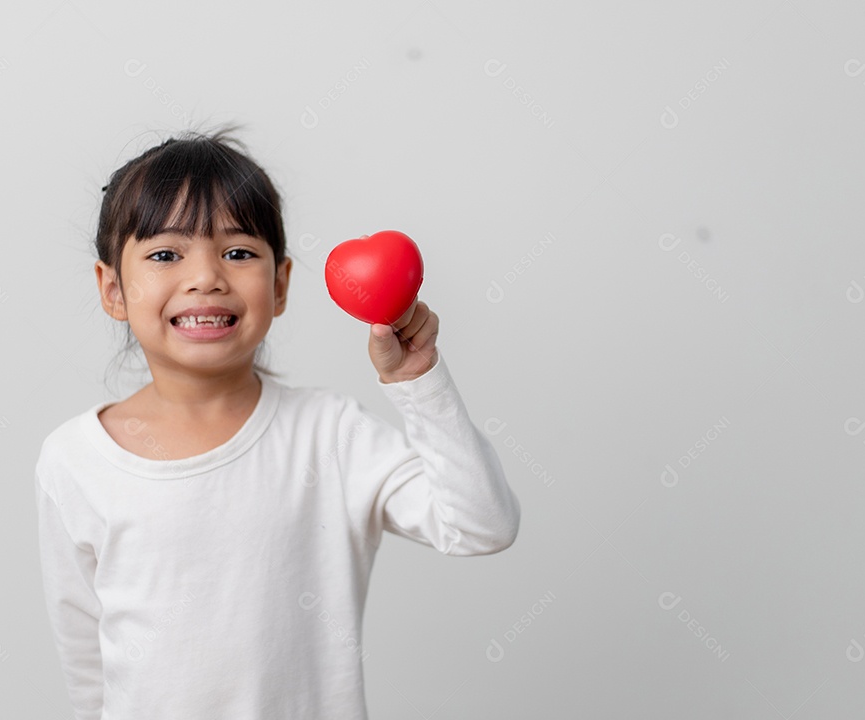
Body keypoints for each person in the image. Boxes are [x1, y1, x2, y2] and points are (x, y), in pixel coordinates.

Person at [34, 125, 521, 720]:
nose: (207, 277)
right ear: (112, 288)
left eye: (238, 253)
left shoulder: (331, 435)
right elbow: (87, 659)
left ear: (281, 283)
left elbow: (481, 525)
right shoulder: (74, 459)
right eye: (165, 254)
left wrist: (418, 381)